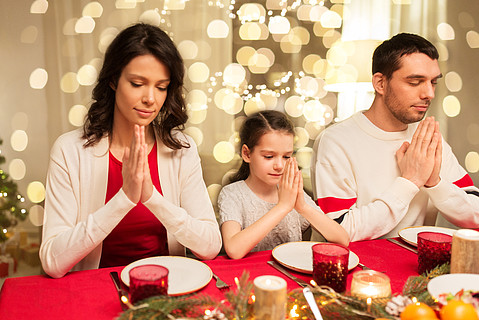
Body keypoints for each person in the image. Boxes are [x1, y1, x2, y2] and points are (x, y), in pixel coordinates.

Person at [40, 23, 222, 278]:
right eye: (138, 83)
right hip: (95, 291)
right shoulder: (70, 151)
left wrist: (152, 198)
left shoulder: (181, 149)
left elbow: (210, 246)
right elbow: (52, 261)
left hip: (167, 291)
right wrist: (124, 198)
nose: (151, 98)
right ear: (114, 80)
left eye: (161, 87)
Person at [311, 33, 479, 242]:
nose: (429, 93)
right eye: (415, 82)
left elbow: (476, 214)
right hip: (353, 270)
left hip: (419, 271)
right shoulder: (336, 141)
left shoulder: (426, 138)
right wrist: (410, 182)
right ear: (380, 83)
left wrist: (434, 182)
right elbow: (340, 230)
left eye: (433, 82)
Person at [218, 110, 349, 259]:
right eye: (269, 156)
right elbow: (234, 250)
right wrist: (283, 207)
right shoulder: (232, 194)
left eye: (286, 156)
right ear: (247, 154)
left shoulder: (289, 190)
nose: (280, 165)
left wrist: (303, 207)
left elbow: (342, 239)